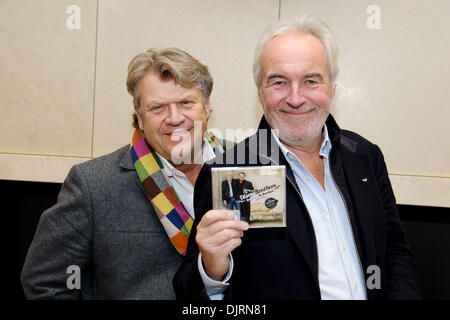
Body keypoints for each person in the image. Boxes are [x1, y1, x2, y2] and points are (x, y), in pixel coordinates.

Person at [173, 17, 421, 300]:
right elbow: (188, 292)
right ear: (260, 93)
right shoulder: (228, 172)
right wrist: (211, 269)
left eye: (310, 80)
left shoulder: (364, 156)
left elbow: (393, 251)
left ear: (332, 88)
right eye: (278, 81)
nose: (295, 98)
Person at [21, 48, 226, 299]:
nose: (174, 118)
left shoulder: (250, 168)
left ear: (206, 107)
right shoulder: (92, 186)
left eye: (186, 103)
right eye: (158, 108)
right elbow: (45, 283)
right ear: (139, 117)